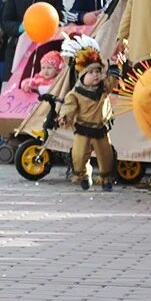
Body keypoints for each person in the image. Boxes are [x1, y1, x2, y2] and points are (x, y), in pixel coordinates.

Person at [57, 38, 118, 191]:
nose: (96, 75)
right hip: (83, 130)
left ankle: (106, 178)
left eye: (98, 71)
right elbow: (68, 107)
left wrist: (115, 67)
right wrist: (65, 117)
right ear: (81, 75)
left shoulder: (103, 89)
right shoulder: (75, 94)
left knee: (106, 157)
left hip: (100, 129)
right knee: (78, 158)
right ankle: (83, 174)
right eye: (90, 72)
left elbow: (113, 81)